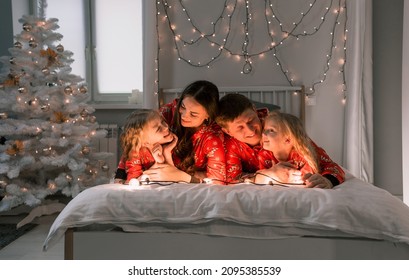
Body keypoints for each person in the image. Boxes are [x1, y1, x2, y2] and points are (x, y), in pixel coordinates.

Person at [143, 80, 227, 184]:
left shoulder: (213, 136)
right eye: (182, 106)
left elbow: (217, 180)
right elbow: (139, 134)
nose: (184, 115)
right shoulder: (169, 111)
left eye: (193, 114)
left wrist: (181, 176)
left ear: (208, 115)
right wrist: (121, 172)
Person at [215, 93, 297, 183]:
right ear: (228, 131)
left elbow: (306, 147)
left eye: (251, 120)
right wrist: (267, 175)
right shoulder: (228, 145)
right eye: (240, 127)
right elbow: (233, 178)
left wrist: (314, 175)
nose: (250, 130)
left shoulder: (278, 124)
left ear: (255, 110)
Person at [255, 111, 345, 188]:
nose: (263, 134)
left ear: (288, 139)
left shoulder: (308, 151)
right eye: (264, 129)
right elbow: (260, 175)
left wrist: (328, 180)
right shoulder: (263, 155)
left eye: (271, 130)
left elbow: (334, 167)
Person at [114, 109, 177, 184]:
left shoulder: (167, 144)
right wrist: (159, 162)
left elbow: (173, 174)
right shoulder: (135, 154)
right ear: (145, 142)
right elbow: (134, 180)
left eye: (163, 122)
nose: (166, 127)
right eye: (158, 129)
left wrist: (167, 153)